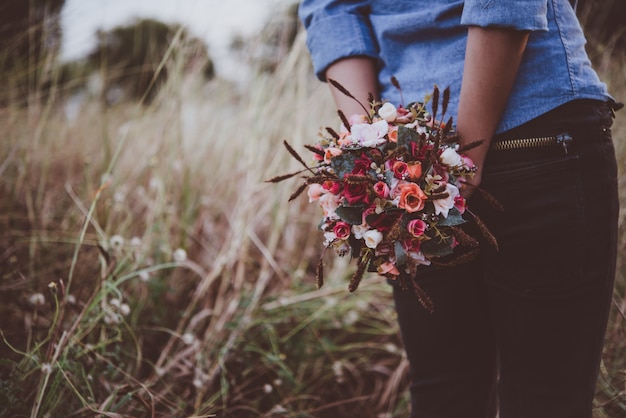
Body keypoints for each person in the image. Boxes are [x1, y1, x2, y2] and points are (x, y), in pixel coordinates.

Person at [298, 1, 622, 417]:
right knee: (546, 400)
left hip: (413, 166)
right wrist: (390, 159)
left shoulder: (402, 173)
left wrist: (378, 161)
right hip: (533, 135)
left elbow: (331, 10)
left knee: (445, 398)